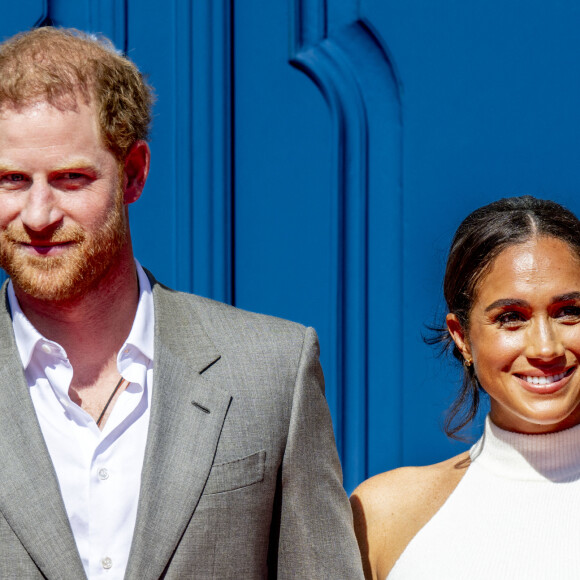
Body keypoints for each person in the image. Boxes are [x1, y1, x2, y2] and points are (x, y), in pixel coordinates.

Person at [0, 26, 364, 579]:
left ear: (134, 173)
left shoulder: (272, 369)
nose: (39, 214)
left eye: (72, 179)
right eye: (11, 180)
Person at [351, 195, 580, 579]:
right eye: (511, 317)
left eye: (569, 311)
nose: (545, 347)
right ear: (461, 337)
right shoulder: (386, 513)